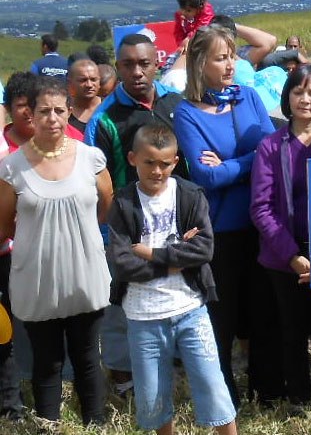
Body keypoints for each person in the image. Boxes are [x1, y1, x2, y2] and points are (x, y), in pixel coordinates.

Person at [107, 124, 237, 435]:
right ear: (132, 159)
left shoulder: (190, 196)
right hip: (143, 317)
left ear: (176, 162)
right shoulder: (123, 203)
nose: (157, 171)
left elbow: (204, 249)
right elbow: (123, 263)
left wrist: (150, 253)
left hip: (191, 309)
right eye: (149, 162)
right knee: (153, 397)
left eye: (165, 164)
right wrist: (177, 258)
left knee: (212, 384)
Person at [172, 26, 277, 407]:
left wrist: (233, 164)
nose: (231, 64)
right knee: (223, 320)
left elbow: (272, 151)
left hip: (261, 223)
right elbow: (206, 176)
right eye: (221, 57)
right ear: (200, 63)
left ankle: (268, 390)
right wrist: (250, 164)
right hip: (222, 232)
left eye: (233, 55)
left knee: (263, 312)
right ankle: (225, 397)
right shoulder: (186, 113)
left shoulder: (248, 97)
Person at [0, 77, 113, 426]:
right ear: (30, 115)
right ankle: (49, 426)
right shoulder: (11, 167)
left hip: (84, 273)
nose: (52, 118)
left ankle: (95, 424)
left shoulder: (91, 158)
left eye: (59, 110)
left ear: (68, 113)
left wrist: (72, 235)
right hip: (37, 277)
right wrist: (43, 238)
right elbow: (5, 224)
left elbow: (104, 207)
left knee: (86, 357)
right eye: (43, 111)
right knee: (46, 360)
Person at [86, 33, 187, 396]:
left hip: (174, 222)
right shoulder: (105, 118)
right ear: (117, 67)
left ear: (156, 63)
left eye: (144, 63)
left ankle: (173, 359)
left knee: (173, 290)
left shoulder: (177, 104)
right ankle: (122, 374)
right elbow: (97, 180)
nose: (137, 72)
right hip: (125, 228)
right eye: (127, 64)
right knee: (122, 301)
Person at [251, 64, 311, 404]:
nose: (305, 99)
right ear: (287, 96)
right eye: (298, 91)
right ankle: (299, 396)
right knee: (291, 330)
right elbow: (261, 208)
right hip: (282, 255)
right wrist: (293, 256)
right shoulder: (270, 147)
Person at [4, 71, 83, 154]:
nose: (28, 111)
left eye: (34, 105)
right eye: (22, 105)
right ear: (8, 108)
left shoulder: (75, 138)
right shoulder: (3, 145)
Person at [68, 59, 102, 134]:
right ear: (70, 82)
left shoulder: (109, 108)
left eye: (93, 79)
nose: (89, 85)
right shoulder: (63, 112)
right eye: (83, 80)